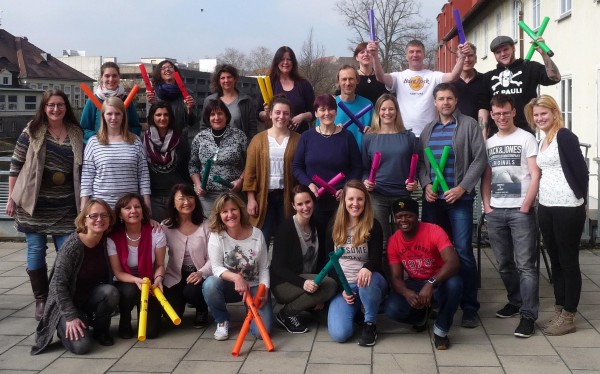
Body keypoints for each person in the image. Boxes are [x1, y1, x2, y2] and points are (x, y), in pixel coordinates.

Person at [6, 89, 83, 321]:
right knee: (36, 250)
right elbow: (15, 165)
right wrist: (11, 197)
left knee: (67, 252)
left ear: (66, 107)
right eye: (51, 105)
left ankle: (61, 296)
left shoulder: (76, 133)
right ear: (44, 107)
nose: (55, 109)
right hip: (34, 204)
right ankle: (41, 299)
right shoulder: (32, 131)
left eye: (60, 105)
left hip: (66, 205)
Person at [418, 83, 487, 328]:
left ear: (455, 101)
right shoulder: (428, 130)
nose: (445, 102)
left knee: (463, 251)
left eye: (449, 98)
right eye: (440, 99)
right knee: (435, 253)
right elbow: (422, 165)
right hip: (434, 202)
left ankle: (469, 306)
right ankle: (439, 299)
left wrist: (462, 188)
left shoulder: (468, 125)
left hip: (459, 200)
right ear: (435, 103)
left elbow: (480, 160)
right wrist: (426, 184)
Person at [525, 95, 588, 336]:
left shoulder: (564, 136)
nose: (540, 118)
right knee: (556, 261)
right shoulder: (542, 140)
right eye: (537, 115)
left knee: (569, 261)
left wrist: (581, 200)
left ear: (554, 113)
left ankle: (569, 315)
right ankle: (560, 308)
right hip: (547, 206)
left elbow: (581, 172)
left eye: (544, 113)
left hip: (567, 206)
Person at [481, 94, 540, 338]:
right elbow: (487, 176)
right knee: (504, 264)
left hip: (520, 210)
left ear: (513, 112)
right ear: (492, 116)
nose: (501, 117)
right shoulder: (489, 143)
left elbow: (536, 174)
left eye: (505, 112)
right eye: (497, 114)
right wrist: (486, 206)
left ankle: (528, 315)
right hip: (496, 210)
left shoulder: (527, 138)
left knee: (526, 265)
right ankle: (515, 301)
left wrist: (526, 205)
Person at [32, 199, 119, 355]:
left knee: (110, 292)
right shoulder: (72, 246)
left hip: (88, 298)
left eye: (104, 215)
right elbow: (57, 285)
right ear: (84, 219)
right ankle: (61, 325)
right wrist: (71, 316)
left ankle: (101, 331)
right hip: (65, 305)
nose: (99, 219)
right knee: (82, 347)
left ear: (110, 219)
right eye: (93, 216)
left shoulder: (106, 241)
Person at [384, 197, 462, 350]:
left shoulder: (434, 230)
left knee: (455, 284)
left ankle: (441, 330)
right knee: (391, 308)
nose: (404, 220)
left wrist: (431, 283)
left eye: (408, 215)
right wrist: (407, 293)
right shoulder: (394, 241)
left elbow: (453, 262)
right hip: (416, 283)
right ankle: (421, 316)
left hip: (439, 282)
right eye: (399, 216)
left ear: (417, 215)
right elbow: (396, 278)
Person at [292, 94, 362, 245]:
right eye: (322, 110)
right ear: (316, 113)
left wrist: (347, 188)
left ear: (336, 112)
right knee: (317, 244)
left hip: (340, 201)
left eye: (331, 109)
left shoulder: (347, 137)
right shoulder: (307, 137)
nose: (327, 113)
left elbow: (357, 167)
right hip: (313, 201)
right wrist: (309, 184)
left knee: (337, 242)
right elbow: (297, 167)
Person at [202, 192, 272, 341]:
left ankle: (251, 311)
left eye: (233, 209)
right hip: (229, 287)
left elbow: (264, 267)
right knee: (209, 284)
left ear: (240, 210)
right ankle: (222, 320)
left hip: (253, 286)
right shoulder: (217, 235)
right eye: (225, 211)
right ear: (219, 215)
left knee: (261, 333)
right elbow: (216, 268)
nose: (230, 214)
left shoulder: (257, 234)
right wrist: (235, 278)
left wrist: (264, 288)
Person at [326, 180, 387, 347]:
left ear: (366, 201)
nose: (355, 204)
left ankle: (370, 323)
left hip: (369, 281)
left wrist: (367, 267)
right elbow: (329, 261)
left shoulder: (374, 225)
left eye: (360, 199)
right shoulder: (333, 226)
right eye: (351, 199)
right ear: (343, 200)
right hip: (346, 286)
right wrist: (341, 288)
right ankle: (357, 313)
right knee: (340, 334)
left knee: (367, 280)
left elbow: (376, 258)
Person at [271, 185, 338, 333]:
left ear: (313, 202)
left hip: (311, 280)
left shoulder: (318, 226)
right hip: (285, 283)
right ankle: (286, 313)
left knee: (329, 320)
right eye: (300, 204)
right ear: (293, 205)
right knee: (330, 285)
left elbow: (322, 260)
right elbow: (278, 267)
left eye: (308, 202)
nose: (305, 207)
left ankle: (309, 304)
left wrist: (319, 296)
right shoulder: (285, 229)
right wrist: (303, 283)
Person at [368, 39, 468, 137]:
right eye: (411, 52)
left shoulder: (433, 76)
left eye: (418, 52)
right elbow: (380, 77)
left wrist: (462, 58)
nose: (415, 55)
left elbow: (453, 76)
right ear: (406, 56)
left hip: (428, 133)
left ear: (424, 55)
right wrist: (374, 56)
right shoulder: (398, 77)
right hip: (403, 132)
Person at [362, 94, 419, 250]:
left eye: (391, 109)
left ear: (397, 111)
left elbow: (418, 166)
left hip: (401, 195)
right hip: (377, 196)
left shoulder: (409, 137)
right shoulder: (369, 138)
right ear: (378, 112)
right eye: (383, 109)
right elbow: (364, 169)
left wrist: (415, 183)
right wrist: (365, 181)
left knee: (403, 240)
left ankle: (403, 274)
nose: (387, 113)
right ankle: (383, 274)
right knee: (381, 240)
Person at [108, 193, 167, 339]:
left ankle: (149, 312)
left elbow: (159, 265)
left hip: (150, 282)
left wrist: (159, 278)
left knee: (150, 333)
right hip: (126, 281)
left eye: (137, 207)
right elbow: (118, 272)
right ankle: (125, 321)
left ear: (143, 210)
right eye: (127, 208)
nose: (133, 211)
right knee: (128, 291)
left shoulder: (156, 232)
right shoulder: (112, 238)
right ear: (120, 214)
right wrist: (136, 280)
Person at [244, 95, 300, 247]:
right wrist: (251, 198)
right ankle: (261, 271)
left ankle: (282, 270)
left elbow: (301, 170)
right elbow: (250, 172)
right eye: (277, 112)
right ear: (270, 114)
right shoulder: (258, 140)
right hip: (264, 197)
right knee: (261, 238)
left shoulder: (298, 139)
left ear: (290, 115)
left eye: (286, 113)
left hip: (287, 198)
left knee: (287, 238)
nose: (281, 116)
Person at [479, 35, 561, 137]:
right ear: (494, 55)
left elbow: (555, 78)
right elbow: (484, 108)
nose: (503, 54)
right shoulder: (488, 77)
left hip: (526, 134)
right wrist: (483, 136)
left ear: (513, 48)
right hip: (497, 135)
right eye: (498, 52)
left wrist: (544, 54)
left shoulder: (529, 68)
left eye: (506, 49)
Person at [80, 97, 152, 211]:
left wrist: (147, 204)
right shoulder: (93, 142)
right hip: (102, 208)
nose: (113, 118)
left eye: (117, 114)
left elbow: (143, 176)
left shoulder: (135, 141)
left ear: (123, 115)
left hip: (130, 208)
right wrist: (83, 208)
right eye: (109, 114)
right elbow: (87, 178)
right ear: (103, 115)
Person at [162, 184, 212, 328]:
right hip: (174, 275)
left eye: (190, 197)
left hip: (199, 273)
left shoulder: (206, 225)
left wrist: (201, 272)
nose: (186, 202)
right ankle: (180, 299)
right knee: (170, 316)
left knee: (192, 290)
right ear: (173, 202)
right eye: (181, 198)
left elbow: (213, 257)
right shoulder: (165, 226)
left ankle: (201, 309)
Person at [189, 99, 247, 215]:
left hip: (233, 194)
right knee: (211, 230)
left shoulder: (239, 135)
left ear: (226, 116)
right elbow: (193, 165)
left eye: (220, 113)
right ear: (207, 118)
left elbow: (250, 164)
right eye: (212, 114)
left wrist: (240, 180)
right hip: (207, 196)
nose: (216, 117)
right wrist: (198, 184)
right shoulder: (200, 137)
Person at [143, 102, 192, 222]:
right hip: (154, 197)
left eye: (166, 115)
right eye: (158, 115)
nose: (162, 118)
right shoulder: (142, 140)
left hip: (176, 196)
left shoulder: (180, 140)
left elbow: (187, 168)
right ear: (152, 117)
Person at [80, 61, 142, 143]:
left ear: (119, 77)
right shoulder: (93, 101)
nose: (111, 79)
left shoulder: (127, 100)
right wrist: (100, 136)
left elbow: (136, 128)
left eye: (114, 76)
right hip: (101, 148)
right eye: (107, 76)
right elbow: (83, 130)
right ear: (101, 77)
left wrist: (123, 134)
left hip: (123, 147)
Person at [258, 46, 315, 133]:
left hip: (299, 135)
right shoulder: (268, 83)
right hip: (275, 136)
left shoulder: (304, 84)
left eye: (289, 59)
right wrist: (267, 113)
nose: (285, 62)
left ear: (293, 62)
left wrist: (302, 116)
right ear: (277, 62)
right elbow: (258, 113)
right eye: (282, 59)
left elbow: (314, 111)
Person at [319, 65, 373, 149]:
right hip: (335, 157)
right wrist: (333, 130)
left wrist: (372, 133)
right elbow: (318, 137)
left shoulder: (367, 105)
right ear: (338, 82)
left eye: (351, 79)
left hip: (362, 158)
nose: (348, 83)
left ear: (357, 81)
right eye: (344, 79)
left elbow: (378, 134)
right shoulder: (328, 106)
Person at [201, 64, 258, 142]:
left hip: (240, 147)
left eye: (229, 77)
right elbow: (204, 126)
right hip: (215, 148)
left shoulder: (246, 100)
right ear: (218, 81)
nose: (226, 80)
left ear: (235, 79)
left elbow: (252, 128)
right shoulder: (210, 100)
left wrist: (248, 146)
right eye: (222, 78)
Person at [146, 60, 197, 140]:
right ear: (159, 73)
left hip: (180, 140)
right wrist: (153, 104)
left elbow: (192, 122)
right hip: (159, 140)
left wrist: (189, 109)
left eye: (170, 67)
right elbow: (150, 122)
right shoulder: (153, 94)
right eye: (163, 68)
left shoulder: (187, 93)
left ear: (175, 71)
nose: (167, 69)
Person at [453, 42, 487, 122]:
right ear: (457, 60)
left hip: (478, 130)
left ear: (476, 58)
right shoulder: (450, 83)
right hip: (455, 130)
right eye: (463, 56)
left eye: (470, 56)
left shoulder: (484, 80)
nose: (467, 59)